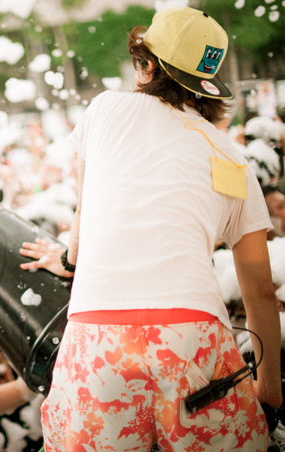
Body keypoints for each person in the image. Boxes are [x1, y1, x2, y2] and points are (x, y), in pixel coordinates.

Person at [20, 7, 281, 451]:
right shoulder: (232, 158)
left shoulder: (105, 110)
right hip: (193, 337)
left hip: (98, 339)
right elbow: (258, 289)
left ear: (148, 64)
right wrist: (269, 389)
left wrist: (66, 259)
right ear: (206, 84)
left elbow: (85, 219)